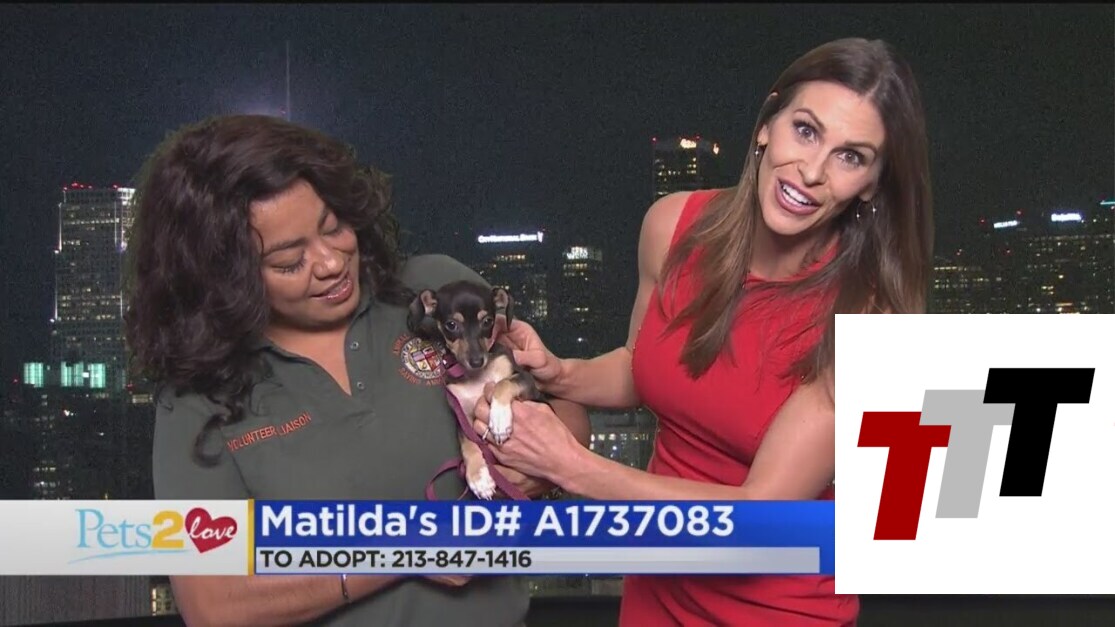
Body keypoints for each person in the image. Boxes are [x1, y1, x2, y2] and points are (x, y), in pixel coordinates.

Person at [472, 37, 933, 626]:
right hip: (656, 592)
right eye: (806, 130)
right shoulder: (671, 226)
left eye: (851, 157)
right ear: (767, 125)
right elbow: (643, 365)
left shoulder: (870, 320)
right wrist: (561, 373)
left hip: (775, 611)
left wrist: (572, 466)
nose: (812, 172)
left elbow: (759, 517)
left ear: (871, 183)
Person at [123, 114, 591, 627]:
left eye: (333, 228)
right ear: (225, 278)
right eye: (289, 261)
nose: (330, 263)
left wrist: (533, 469)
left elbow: (566, 414)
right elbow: (213, 606)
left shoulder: (436, 293)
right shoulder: (198, 395)